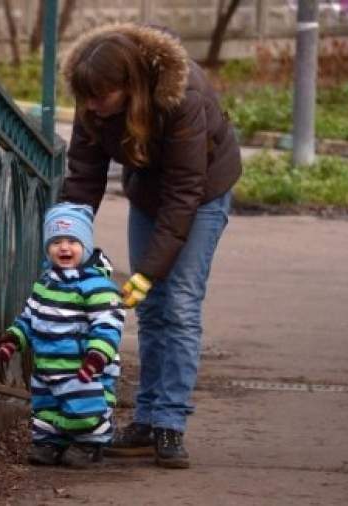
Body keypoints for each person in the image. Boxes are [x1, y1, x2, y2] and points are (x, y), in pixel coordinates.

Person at [59, 22, 242, 469]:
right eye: (85, 99)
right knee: (151, 309)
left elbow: (183, 194)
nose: (91, 108)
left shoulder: (183, 97)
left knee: (177, 302)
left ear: (130, 88)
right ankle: (145, 420)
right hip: (149, 191)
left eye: (101, 98)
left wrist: (146, 273)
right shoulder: (93, 100)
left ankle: (170, 423)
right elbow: (83, 176)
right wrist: (65, 235)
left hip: (199, 196)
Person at [0, 203, 124, 467]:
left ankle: (88, 444)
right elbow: (30, 318)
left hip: (83, 367)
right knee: (45, 407)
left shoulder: (97, 286)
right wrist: (13, 339)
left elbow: (107, 323)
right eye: (56, 242)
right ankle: (49, 444)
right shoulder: (45, 284)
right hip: (46, 366)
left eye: (71, 241)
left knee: (84, 409)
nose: (64, 248)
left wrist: (98, 355)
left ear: (86, 246)